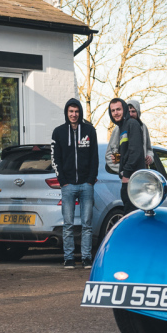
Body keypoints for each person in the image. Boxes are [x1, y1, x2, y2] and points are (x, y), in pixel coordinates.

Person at [50, 98, 99, 269]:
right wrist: (63, 181)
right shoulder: (58, 132)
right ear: (66, 113)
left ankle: (86, 258)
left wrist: (91, 180)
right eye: (71, 111)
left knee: (87, 224)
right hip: (68, 185)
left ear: (80, 113)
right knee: (68, 224)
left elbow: (94, 157)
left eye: (76, 111)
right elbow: (55, 158)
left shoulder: (89, 131)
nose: (74, 114)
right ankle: (69, 258)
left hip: (86, 185)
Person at [108, 97, 146, 212]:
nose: (116, 113)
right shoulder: (121, 128)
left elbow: (136, 151)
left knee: (133, 217)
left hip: (134, 181)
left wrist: (126, 173)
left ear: (124, 109)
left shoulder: (132, 124)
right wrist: (118, 160)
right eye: (113, 111)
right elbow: (128, 152)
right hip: (128, 180)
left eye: (118, 109)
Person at [105, 98, 154, 174]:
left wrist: (150, 157)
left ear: (138, 112)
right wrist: (123, 170)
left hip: (142, 173)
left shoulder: (143, 127)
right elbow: (110, 154)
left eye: (133, 111)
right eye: (128, 111)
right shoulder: (118, 128)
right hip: (128, 175)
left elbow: (149, 149)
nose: (130, 114)